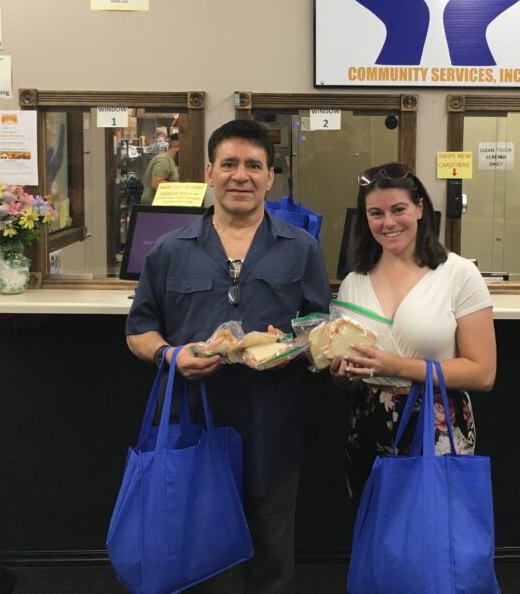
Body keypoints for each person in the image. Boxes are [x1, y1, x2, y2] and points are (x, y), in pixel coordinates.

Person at [126, 119, 331, 593]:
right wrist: (172, 355)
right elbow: (138, 331)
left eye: (254, 166)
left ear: (270, 176)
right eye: (230, 164)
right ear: (209, 172)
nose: (242, 175)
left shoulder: (300, 248)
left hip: (272, 424)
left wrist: (293, 347)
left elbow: (321, 329)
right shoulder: (169, 250)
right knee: (198, 552)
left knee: (272, 556)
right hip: (193, 421)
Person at [330, 162, 495, 505]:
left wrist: (396, 365)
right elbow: (351, 381)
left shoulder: (459, 274)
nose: (388, 222)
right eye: (376, 213)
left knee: (435, 535)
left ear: (420, 208)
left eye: (398, 209)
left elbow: (483, 373)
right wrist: (344, 376)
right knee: (377, 536)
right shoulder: (353, 284)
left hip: (436, 428)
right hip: (368, 426)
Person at [141, 131, 180, 205]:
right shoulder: (164, 160)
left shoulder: (171, 161)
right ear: (177, 147)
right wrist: (182, 188)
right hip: (154, 208)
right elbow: (156, 184)